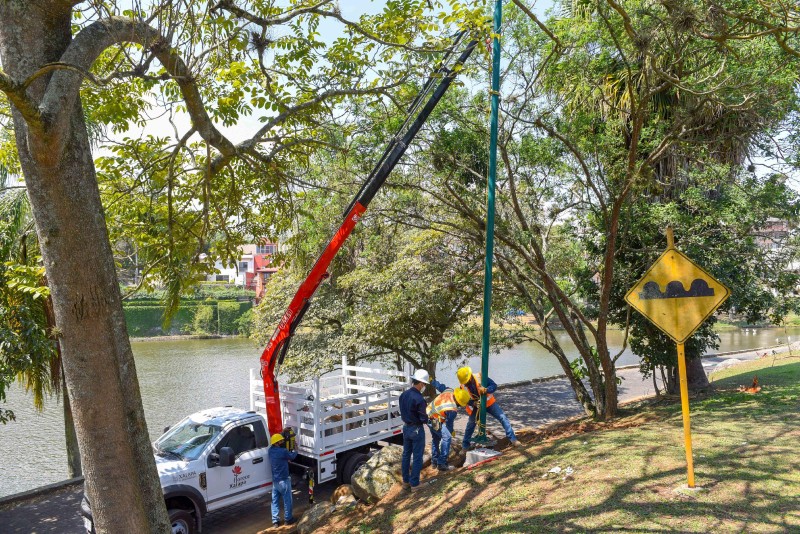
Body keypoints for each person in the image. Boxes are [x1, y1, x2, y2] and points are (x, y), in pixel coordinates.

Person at [457, 366, 519, 449]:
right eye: (464, 382)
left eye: (466, 381)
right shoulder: (463, 386)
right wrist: (473, 403)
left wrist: (486, 390)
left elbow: (494, 385)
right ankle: (465, 446)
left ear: (470, 376)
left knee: (503, 417)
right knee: (471, 424)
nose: (466, 384)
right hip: (477, 407)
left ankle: (513, 439)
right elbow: (465, 399)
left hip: (489, 403)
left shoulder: (480, 376)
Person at [399, 369, 430, 490]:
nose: (424, 387)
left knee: (406, 455)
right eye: (425, 384)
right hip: (416, 429)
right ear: (421, 383)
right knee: (417, 456)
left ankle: (405, 481)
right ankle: (415, 483)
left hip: (406, 427)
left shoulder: (403, 395)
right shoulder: (419, 399)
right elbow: (423, 418)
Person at [427, 385, 470, 471]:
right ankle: (442, 463)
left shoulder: (449, 390)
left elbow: (439, 386)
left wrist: (433, 382)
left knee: (436, 438)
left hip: (428, 413)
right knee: (447, 437)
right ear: (458, 402)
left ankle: (434, 461)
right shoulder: (452, 409)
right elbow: (449, 425)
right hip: (434, 420)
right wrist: (451, 432)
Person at [268, 433, 298, 527]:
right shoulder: (283, 451)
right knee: (287, 500)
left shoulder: (270, 451)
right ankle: (288, 519)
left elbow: (280, 458)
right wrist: (296, 449)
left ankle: (275, 522)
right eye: (281, 441)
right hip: (284, 481)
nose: (282, 442)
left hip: (275, 481)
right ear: (277, 443)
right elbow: (292, 457)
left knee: (275, 501)